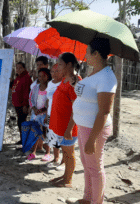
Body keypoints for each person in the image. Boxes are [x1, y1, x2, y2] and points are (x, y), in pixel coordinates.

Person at [72, 38, 116, 204]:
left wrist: (92, 139)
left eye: (87, 51)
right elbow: (86, 95)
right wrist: (76, 83)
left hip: (94, 129)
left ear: (96, 54)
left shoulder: (106, 77)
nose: (85, 55)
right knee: (87, 164)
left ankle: (96, 201)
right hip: (85, 126)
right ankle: (88, 198)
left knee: (95, 167)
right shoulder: (94, 72)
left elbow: (104, 111)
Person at [48, 52, 82, 188]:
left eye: (60, 64)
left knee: (69, 153)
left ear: (69, 65)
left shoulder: (76, 82)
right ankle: (65, 175)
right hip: (60, 124)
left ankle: (68, 180)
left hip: (68, 127)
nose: (58, 67)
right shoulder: (64, 79)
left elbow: (76, 108)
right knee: (65, 152)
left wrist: (69, 129)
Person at [27, 68, 52, 161]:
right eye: (39, 76)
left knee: (47, 132)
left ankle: (48, 153)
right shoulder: (35, 88)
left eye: (43, 76)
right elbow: (31, 99)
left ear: (47, 76)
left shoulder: (50, 88)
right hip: (36, 113)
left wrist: (44, 111)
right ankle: (33, 152)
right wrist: (34, 108)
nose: (41, 78)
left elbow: (50, 102)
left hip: (46, 114)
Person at [45, 64, 65, 170]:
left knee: (63, 139)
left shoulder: (65, 83)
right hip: (50, 115)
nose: (54, 74)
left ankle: (64, 161)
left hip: (61, 116)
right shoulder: (50, 84)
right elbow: (48, 99)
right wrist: (47, 114)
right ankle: (56, 158)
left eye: (57, 71)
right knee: (53, 137)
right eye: (52, 71)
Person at [11, 62, 32, 144]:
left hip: (22, 104)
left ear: (24, 68)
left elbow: (26, 92)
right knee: (20, 122)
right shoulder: (18, 78)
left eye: (20, 68)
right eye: (17, 68)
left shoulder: (26, 78)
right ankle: (22, 139)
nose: (18, 69)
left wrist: (25, 105)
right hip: (17, 104)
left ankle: (25, 140)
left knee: (22, 122)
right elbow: (14, 88)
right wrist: (11, 82)